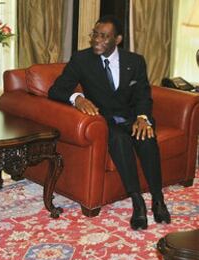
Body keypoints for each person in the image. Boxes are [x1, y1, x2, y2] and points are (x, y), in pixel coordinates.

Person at [48, 15, 171, 230]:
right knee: (119, 139)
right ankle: (137, 202)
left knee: (147, 137)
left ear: (118, 39)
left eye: (104, 36)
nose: (97, 40)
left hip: (132, 117)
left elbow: (143, 95)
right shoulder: (81, 60)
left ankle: (158, 199)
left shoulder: (135, 61)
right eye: (95, 34)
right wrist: (78, 99)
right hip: (106, 121)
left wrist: (143, 118)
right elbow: (56, 90)